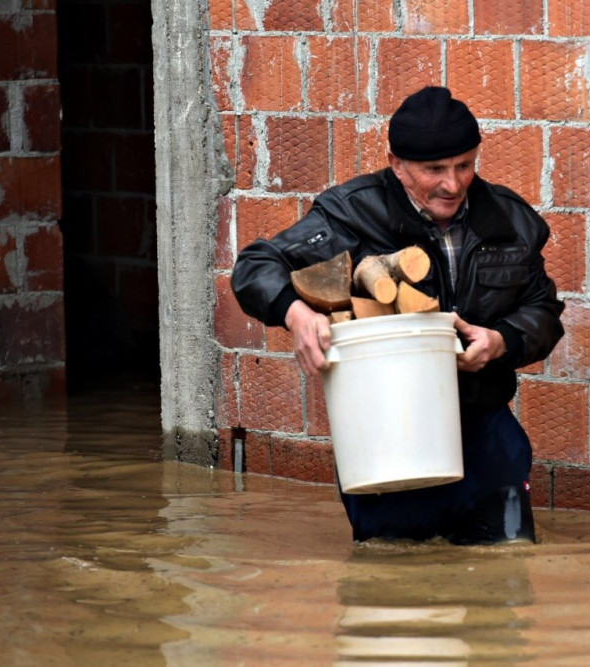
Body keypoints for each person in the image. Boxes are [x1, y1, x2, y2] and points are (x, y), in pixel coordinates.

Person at [231, 86, 564, 544]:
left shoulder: (511, 220)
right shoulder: (352, 213)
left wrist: (502, 340)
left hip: (484, 431)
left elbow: (544, 310)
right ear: (397, 165)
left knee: (505, 576)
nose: (454, 184)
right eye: (435, 170)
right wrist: (297, 315)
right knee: (391, 586)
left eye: (465, 165)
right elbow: (255, 266)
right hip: (387, 435)